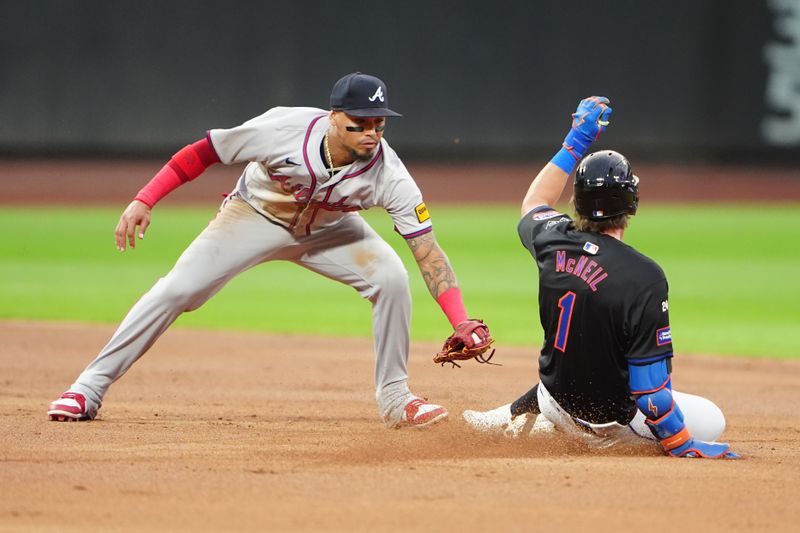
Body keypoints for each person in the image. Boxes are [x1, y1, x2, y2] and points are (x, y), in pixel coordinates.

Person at [48, 72, 492, 429]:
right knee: (176, 291)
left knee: (391, 278)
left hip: (332, 232)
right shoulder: (282, 128)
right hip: (253, 217)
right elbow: (202, 152)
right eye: (361, 121)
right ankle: (88, 387)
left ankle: (396, 401)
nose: (372, 132)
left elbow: (427, 252)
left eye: (380, 123)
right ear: (334, 117)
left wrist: (460, 319)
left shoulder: (390, 175)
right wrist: (145, 199)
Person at [462, 96, 738, 458]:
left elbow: (534, 203)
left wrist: (575, 140)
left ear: (575, 202)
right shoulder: (645, 276)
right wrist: (682, 444)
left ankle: (529, 415)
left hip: (554, 397)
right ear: (632, 204)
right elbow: (649, 392)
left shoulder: (552, 239)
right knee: (711, 419)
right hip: (606, 424)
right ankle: (566, 432)